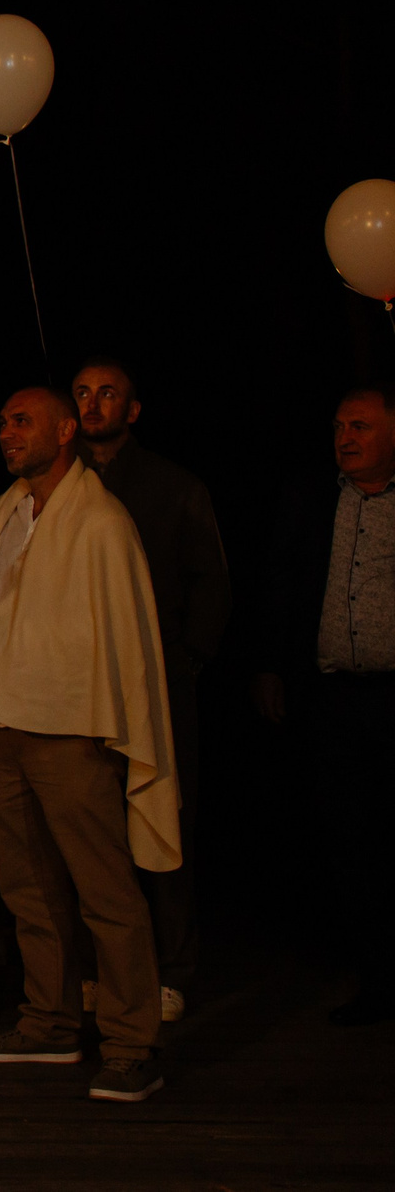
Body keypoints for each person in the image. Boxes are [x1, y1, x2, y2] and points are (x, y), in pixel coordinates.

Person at [0, 387, 179, 1102]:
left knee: (103, 888)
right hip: (3, 718)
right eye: (4, 420)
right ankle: (48, 1019)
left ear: (66, 430)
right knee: (28, 884)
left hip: (71, 726)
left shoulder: (100, 520)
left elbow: (107, 636)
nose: (7, 432)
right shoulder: (12, 508)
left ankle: (133, 1042)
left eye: (23, 421)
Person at [72, 356, 227, 1023]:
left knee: (160, 819)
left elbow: (210, 580)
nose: (93, 402)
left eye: (108, 392)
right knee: (89, 831)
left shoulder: (171, 485)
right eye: (81, 392)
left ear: (132, 408)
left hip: (154, 683)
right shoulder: (56, 487)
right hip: (75, 687)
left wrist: (184, 661)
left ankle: (171, 970)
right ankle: (103, 968)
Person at [252, 382, 395, 1027]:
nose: (346, 438)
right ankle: (377, 982)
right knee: (349, 843)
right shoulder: (312, 497)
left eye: (361, 426)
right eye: (340, 426)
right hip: (334, 697)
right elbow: (282, 583)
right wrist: (274, 667)